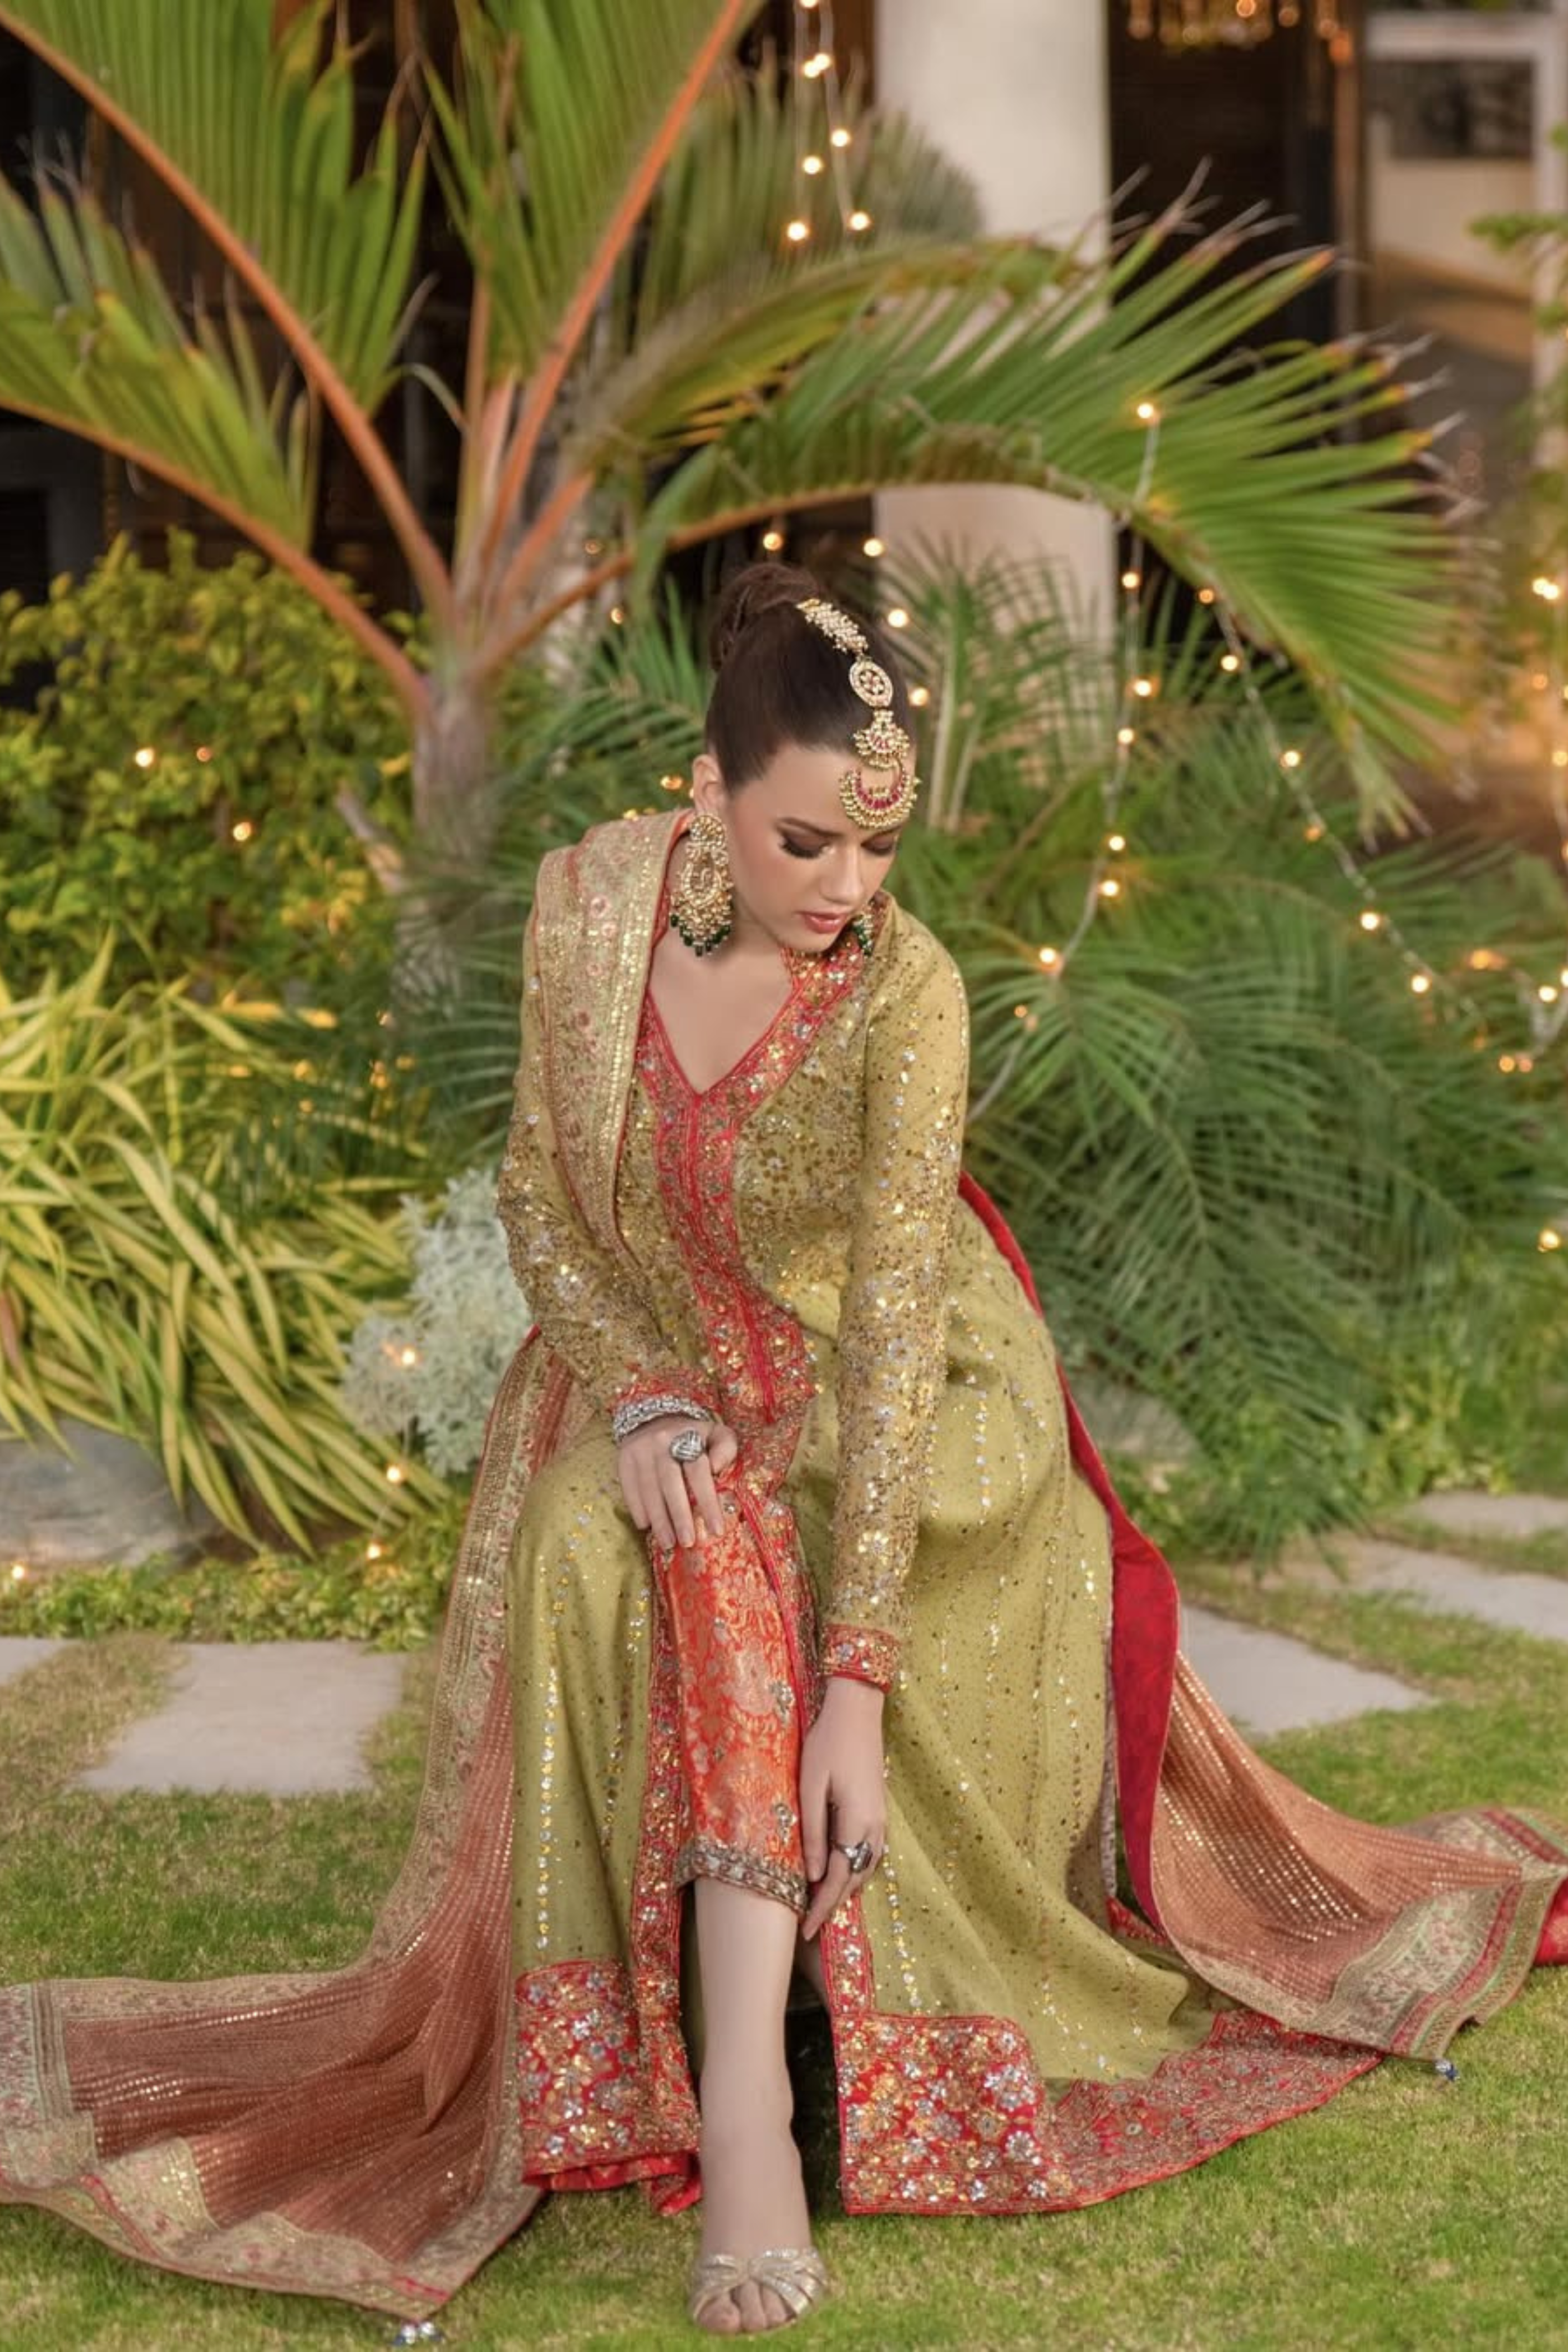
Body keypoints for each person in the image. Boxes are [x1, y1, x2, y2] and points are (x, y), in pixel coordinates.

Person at [2, 563, 1565, 2342]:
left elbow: (900, 1323)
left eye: (879, 856)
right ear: (704, 790)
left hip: (893, 1392)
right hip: (657, 1358)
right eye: (807, 843)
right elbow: (536, 1197)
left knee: (737, 1541)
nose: (848, 893)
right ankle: (688, 2079)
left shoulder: (914, 996)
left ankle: (748, 2105)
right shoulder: (589, 914)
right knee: (613, 1544)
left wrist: (857, 1681)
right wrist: (650, 1389)